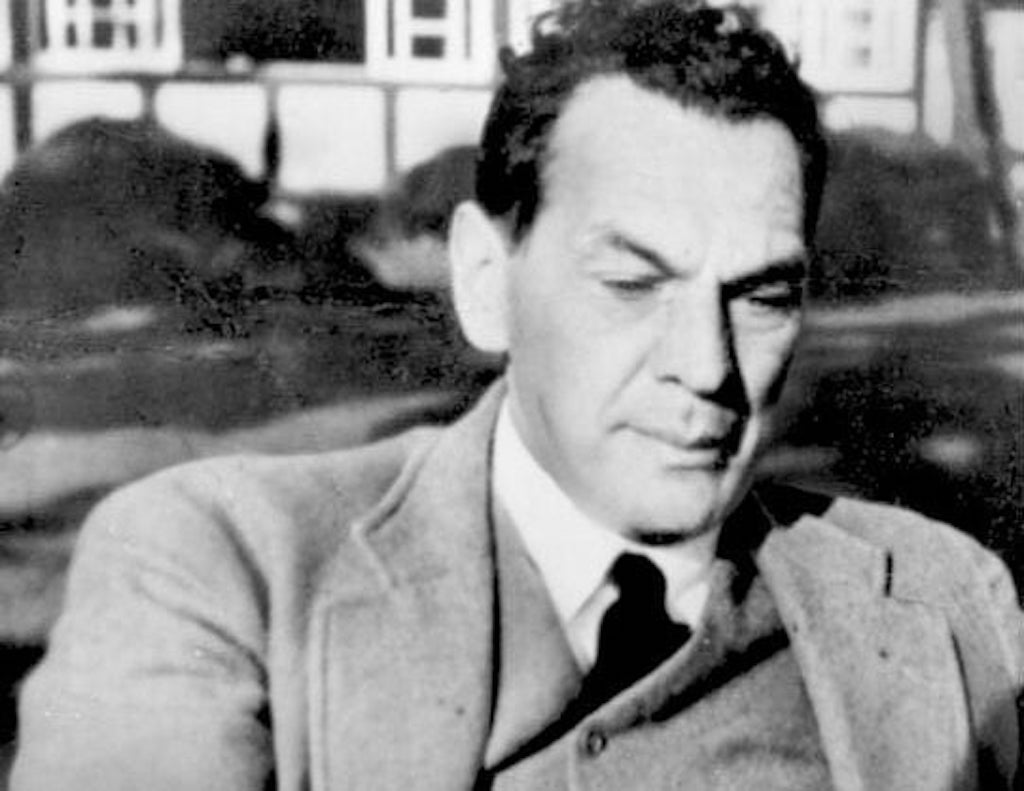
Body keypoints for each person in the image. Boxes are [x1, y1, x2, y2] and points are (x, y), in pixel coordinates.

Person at [12, 2, 1023, 789]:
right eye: (631, 283)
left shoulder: (942, 602)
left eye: (760, 297)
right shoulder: (224, 566)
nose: (707, 367)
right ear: (486, 283)